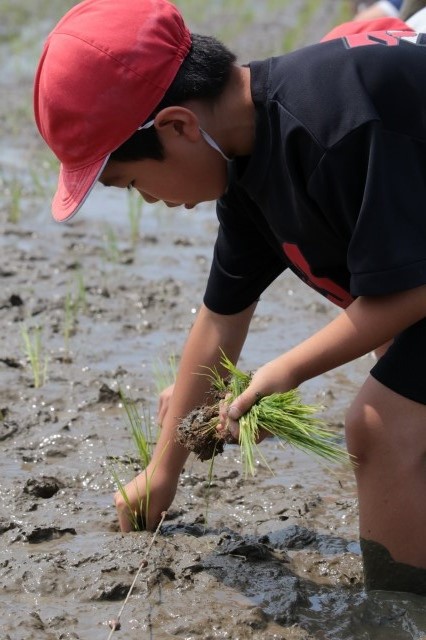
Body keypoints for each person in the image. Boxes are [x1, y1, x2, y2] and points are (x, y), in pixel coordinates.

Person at [34, 0, 426, 594]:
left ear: (178, 126)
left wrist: (285, 370)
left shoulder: (333, 124)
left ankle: (398, 614)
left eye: (133, 183)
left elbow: (415, 287)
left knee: (380, 422)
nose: (148, 200)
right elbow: (220, 322)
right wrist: (162, 471)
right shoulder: (247, 168)